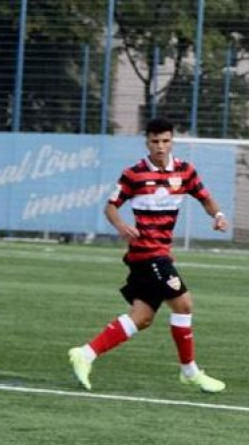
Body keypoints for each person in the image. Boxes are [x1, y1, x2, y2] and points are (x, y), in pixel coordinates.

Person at [68, 117, 230, 393]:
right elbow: (110, 206)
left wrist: (218, 215)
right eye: (155, 141)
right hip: (147, 254)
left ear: (172, 141)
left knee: (142, 317)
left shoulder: (185, 171)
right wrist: (121, 226)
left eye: (165, 141)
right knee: (184, 305)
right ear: (147, 142)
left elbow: (204, 197)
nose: (160, 146)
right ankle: (189, 371)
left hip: (160, 254)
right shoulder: (134, 175)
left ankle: (85, 354)